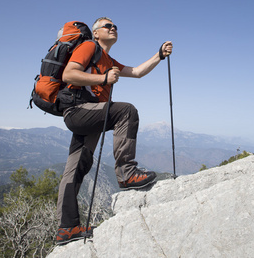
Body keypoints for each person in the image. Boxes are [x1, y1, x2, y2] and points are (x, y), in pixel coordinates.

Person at [55, 17, 173, 244]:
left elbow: (137, 72)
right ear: (96, 33)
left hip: (87, 114)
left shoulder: (108, 59)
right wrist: (103, 78)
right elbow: (68, 75)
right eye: (108, 26)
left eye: (115, 26)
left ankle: (66, 228)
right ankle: (126, 173)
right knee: (126, 111)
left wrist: (159, 55)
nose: (113, 28)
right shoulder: (89, 47)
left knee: (76, 168)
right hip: (79, 109)